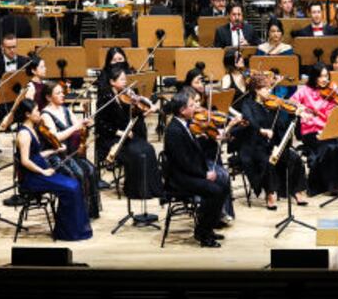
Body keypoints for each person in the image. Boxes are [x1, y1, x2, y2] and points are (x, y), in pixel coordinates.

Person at [11, 99, 92, 242]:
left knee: (74, 184)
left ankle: (69, 229)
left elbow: (36, 155)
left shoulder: (32, 129)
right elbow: (25, 160)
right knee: (71, 188)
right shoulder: (24, 134)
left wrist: (53, 150)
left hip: (40, 171)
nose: (39, 113)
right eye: (36, 111)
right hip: (33, 177)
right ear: (27, 114)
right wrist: (43, 172)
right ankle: (67, 232)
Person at [92, 64, 163, 225]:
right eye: (122, 79)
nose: (125, 82)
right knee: (137, 154)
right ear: (112, 82)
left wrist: (141, 110)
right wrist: (118, 132)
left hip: (127, 136)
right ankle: (135, 190)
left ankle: (153, 189)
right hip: (111, 140)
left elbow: (132, 116)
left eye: (125, 79)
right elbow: (101, 125)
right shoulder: (105, 99)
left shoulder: (126, 96)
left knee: (148, 148)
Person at [163, 91, 228, 247]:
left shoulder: (184, 124)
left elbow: (193, 156)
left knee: (223, 184)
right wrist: (204, 174)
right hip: (179, 178)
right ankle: (203, 234)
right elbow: (183, 162)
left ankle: (207, 227)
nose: (196, 108)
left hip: (188, 173)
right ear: (182, 110)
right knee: (215, 191)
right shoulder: (174, 131)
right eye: (192, 106)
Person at [237, 70, 309, 209]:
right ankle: (271, 192)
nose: (269, 90)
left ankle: (297, 191)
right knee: (267, 161)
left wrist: (295, 113)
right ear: (257, 90)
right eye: (266, 88)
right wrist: (261, 130)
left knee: (294, 158)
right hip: (255, 145)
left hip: (273, 143)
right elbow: (250, 121)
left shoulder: (271, 104)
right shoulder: (248, 104)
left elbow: (280, 124)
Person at [41, 80, 100, 219]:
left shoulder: (65, 110)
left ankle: (89, 211)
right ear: (49, 97)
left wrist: (86, 124)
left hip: (71, 153)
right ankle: (77, 213)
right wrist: (75, 127)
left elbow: (79, 127)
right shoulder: (45, 115)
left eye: (62, 92)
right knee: (77, 174)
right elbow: (56, 137)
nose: (63, 95)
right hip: (56, 155)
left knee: (91, 170)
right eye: (58, 93)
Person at [291, 66, 338, 197]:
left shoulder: (331, 92)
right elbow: (291, 103)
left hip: (327, 130)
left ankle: (337, 185)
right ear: (314, 77)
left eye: (326, 76)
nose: (325, 79)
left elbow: (336, 113)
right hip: (310, 131)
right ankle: (322, 186)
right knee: (328, 148)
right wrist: (301, 109)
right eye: (321, 76)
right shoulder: (305, 91)